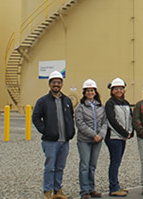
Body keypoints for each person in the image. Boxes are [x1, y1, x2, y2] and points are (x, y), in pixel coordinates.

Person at [32, 71, 75, 199]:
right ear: (50, 84)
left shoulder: (66, 100)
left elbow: (70, 117)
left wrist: (71, 132)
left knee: (60, 166)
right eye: (54, 82)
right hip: (50, 141)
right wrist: (45, 130)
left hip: (64, 140)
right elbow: (35, 118)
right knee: (50, 167)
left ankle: (57, 190)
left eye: (58, 82)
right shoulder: (43, 101)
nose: (56, 85)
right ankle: (47, 190)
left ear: (62, 84)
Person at [75, 79, 108, 199]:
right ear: (84, 92)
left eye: (92, 90)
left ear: (95, 92)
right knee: (84, 165)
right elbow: (80, 123)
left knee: (92, 165)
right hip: (85, 140)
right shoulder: (80, 107)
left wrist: (100, 135)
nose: (90, 92)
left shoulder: (100, 106)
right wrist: (94, 135)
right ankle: (84, 191)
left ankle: (91, 188)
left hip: (98, 140)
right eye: (88, 90)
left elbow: (105, 122)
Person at [104, 77, 133, 197]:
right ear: (112, 90)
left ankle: (116, 184)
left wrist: (131, 131)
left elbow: (130, 118)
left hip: (122, 137)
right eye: (116, 89)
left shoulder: (125, 103)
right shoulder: (110, 103)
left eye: (121, 89)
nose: (119, 91)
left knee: (118, 162)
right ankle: (113, 187)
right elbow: (112, 121)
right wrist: (125, 132)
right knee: (115, 162)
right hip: (113, 137)